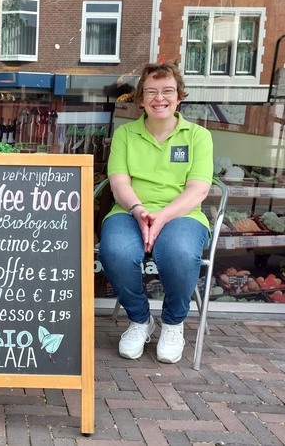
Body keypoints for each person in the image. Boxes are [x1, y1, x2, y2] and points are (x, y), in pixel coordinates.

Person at [98, 60, 213, 364]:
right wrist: (139, 211)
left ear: (179, 96)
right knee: (115, 250)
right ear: (141, 99)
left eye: (167, 91)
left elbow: (198, 189)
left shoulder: (198, 136)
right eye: (151, 91)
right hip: (129, 210)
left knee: (179, 252)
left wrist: (162, 217)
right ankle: (140, 319)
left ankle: (173, 324)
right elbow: (119, 182)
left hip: (183, 214)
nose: (159, 98)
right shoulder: (125, 134)